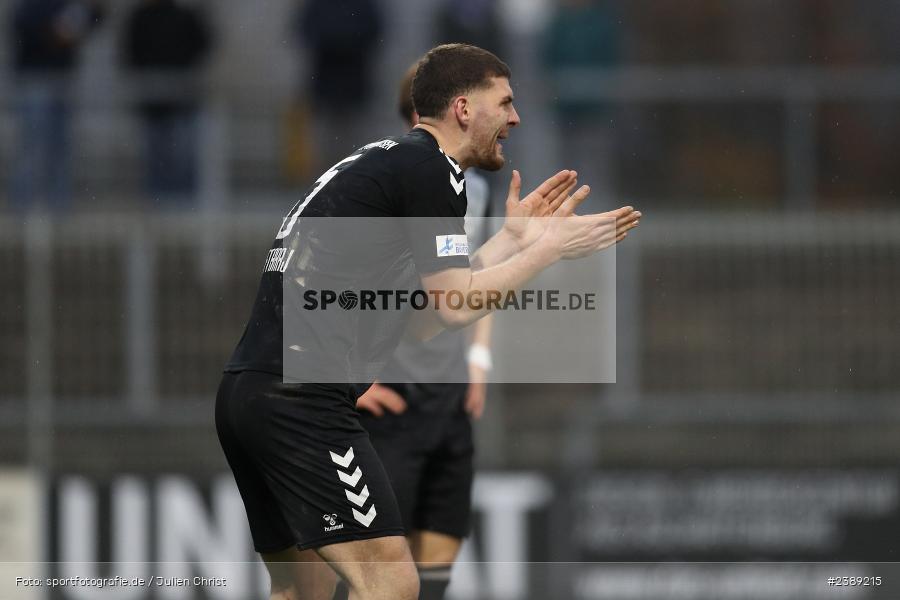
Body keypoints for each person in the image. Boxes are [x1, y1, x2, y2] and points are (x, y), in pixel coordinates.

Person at [216, 43, 640, 600]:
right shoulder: (432, 171)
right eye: (505, 103)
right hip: (304, 405)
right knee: (391, 583)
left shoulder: (394, 163)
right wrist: (550, 251)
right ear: (464, 109)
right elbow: (455, 305)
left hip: (248, 394)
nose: (515, 118)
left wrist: (512, 240)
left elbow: (421, 317)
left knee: (303, 589)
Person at [330, 63, 495, 600]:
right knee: (379, 569)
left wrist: (478, 363)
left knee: (437, 560)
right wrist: (354, 380)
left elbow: (478, 282)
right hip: (393, 396)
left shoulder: (477, 193)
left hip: (448, 396)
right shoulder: (388, 183)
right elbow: (334, 284)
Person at [7, 0, 102, 211]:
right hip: (35, 80)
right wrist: (54, 33)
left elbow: (96, 19)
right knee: (33, 146)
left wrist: (93, 9)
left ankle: (59, 207)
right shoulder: (30, 6)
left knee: (62, 148)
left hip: (62, 80)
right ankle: (23, 207)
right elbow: (23, 28)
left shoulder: (69, 4)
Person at [122, 0, 212, 202]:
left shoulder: (185, 15)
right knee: (158, 160)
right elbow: (130, 54)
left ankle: (183, 207)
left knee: (182, 158)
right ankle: (161, 205)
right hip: (154, 105)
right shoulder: (141, 18)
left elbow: (203, 44)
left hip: (181, 103)